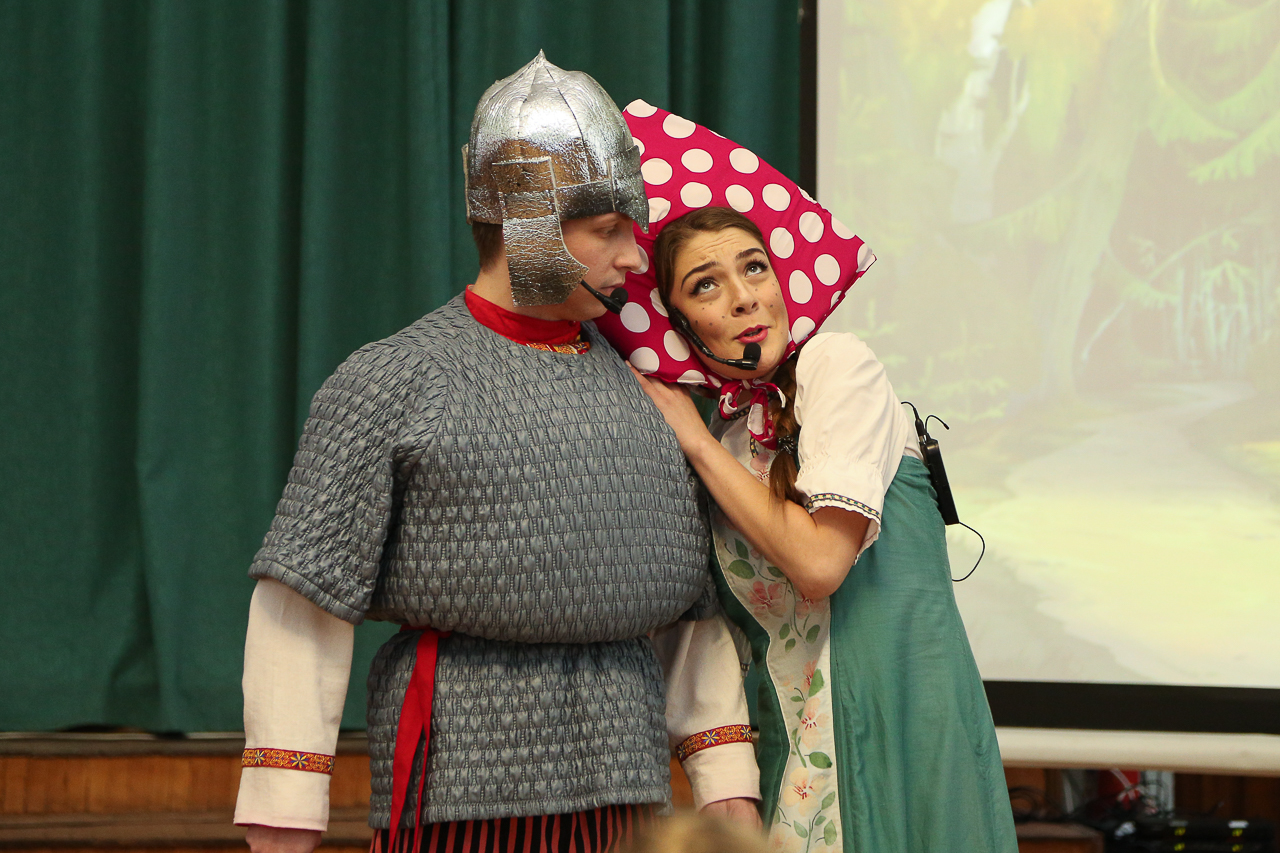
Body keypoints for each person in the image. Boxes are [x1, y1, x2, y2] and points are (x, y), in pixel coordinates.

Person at [232, 55, 760, 853]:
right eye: (607, 230)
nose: (633, 258)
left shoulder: (650, 395)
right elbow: (303, 599)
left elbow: (685, 609)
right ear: (527, 221)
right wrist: (284, 817)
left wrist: (727, 784)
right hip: (461, 789)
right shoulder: (394, 379)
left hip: (627, 786)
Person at [631, 206, 1018, 852]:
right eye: (706, 284)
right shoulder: (722, 437)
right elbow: (709, 630)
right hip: (796, 761)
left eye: (755, 267)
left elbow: (819, 563)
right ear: (679, 325)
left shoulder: (837, 366)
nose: (744, 296)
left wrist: (696, 445)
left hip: (903, 738)